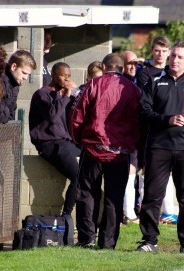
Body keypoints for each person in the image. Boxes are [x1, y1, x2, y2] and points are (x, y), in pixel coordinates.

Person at [137, 41, 184, 254]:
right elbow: (144, 112)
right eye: (173, 56)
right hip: (158, 147)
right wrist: (167, 120)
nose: (175, 60)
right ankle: (149, 240)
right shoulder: (154, 81)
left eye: (180, 57)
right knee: (152, 195)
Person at [69, 53, 140, 249]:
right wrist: (133, 146)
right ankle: (108, 243)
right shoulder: (132, 89)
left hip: (93, 148)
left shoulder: (94, 85)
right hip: (120, 152)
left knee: (87, 193)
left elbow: (77, 114)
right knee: (114, 198)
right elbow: (139, 121)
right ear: (122, 68)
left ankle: (86, 238)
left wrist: (78, 139)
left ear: (103, 66)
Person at [136, 35, 178, 225]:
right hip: (151, 127)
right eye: (157, 51)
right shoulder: (145, 74)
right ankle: (143, 208)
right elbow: (150, 100)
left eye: (164, 51)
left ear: (169, 53)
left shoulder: (174, 71)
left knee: (169, 171)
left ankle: (169, 212)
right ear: (152, 51)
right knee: (148, 169)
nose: (160, 55)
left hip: (171, 128)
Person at [29, 62, 80, 216]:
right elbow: (52, 116)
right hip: (49, 144)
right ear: (53, 75)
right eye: (63, 75)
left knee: (90, 155)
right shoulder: (42, 94)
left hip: (65, 141)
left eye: (69, 76)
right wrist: (65, 96)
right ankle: (66, 215)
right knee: (78, 176)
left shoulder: (65, 94)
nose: (66, 79)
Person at [120, 50, 140, 225]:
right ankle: (129, 212)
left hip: (141, 133)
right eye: (129, 63)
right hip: (124, 134)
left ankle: (137, 210)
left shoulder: (141, 78)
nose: (133, 67)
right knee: (130, 171)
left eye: (135, 63)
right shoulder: (120, 82)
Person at [0, 50, 37, 122]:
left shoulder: (15, 84)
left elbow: (12, 110)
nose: (25, 78)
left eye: (28, 74)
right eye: (24, 73)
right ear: (14, 67)